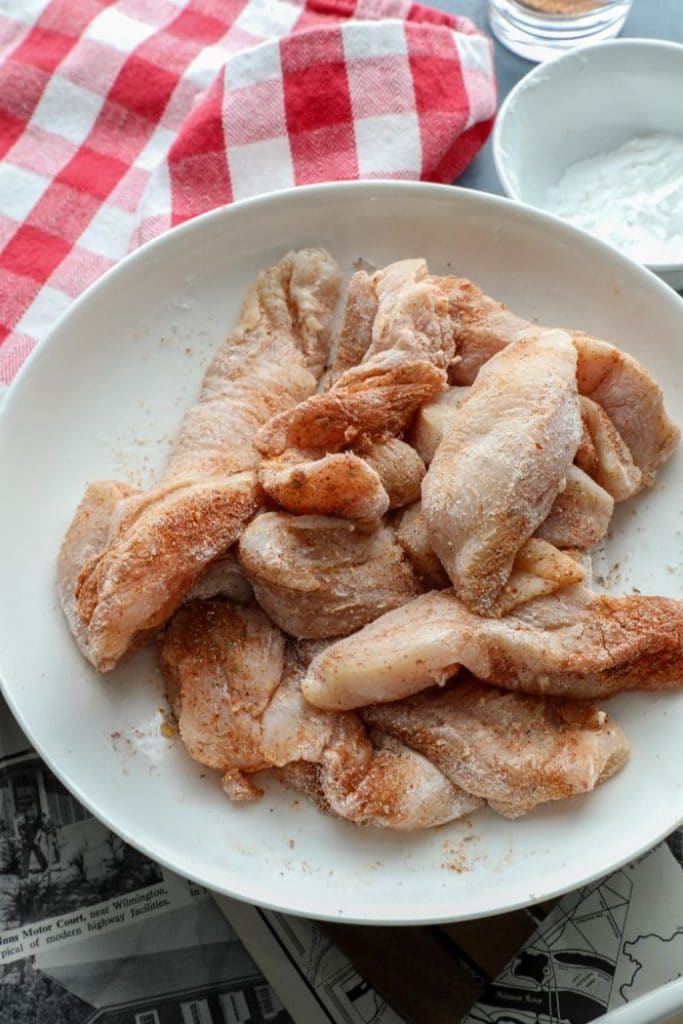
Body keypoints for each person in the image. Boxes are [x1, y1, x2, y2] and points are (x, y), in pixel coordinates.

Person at [16, 807, 47, 877]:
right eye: (17, 818)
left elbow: (39, 828)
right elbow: (22, 835)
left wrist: (36, 839)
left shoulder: (31, 820)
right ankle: (24, 874)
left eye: (19, 817)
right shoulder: (20, 825)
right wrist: (23, 840)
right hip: (27, 842)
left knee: (39, 855)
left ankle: (45, 868)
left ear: (23, 815)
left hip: (34, 840)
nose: (18, 819)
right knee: (25, 857)